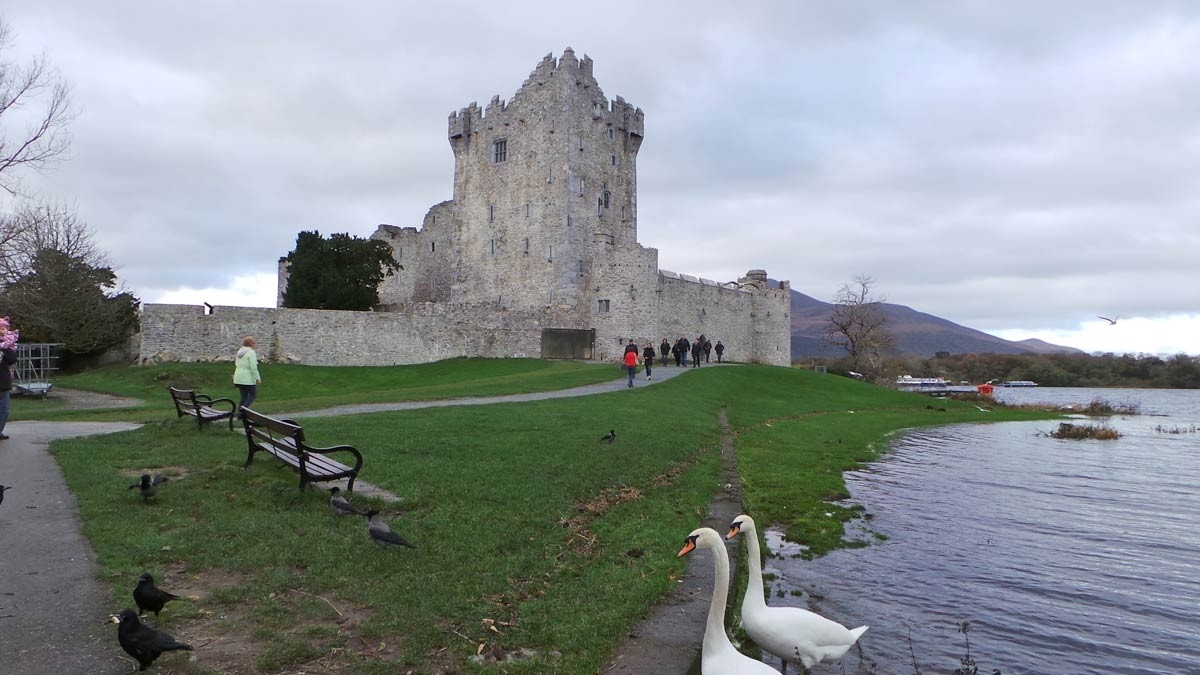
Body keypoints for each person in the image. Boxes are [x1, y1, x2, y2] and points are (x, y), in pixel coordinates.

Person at [0, 318, 17, 441]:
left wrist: (5, 347)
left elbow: (12, 359)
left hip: (3, 382)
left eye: (3, 329)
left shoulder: (8, 345)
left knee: (4, 410)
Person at [233, 336, 262, 410]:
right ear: (251, 344)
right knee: (253, 395)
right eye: (254, 343)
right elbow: (253, 367)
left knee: (244, 396)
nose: (255, 344)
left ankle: (240, 413)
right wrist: (257, 377)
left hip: (238, 377)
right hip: (247, 378)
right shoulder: (251, 352)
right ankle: (243, 411)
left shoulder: (240, 351)